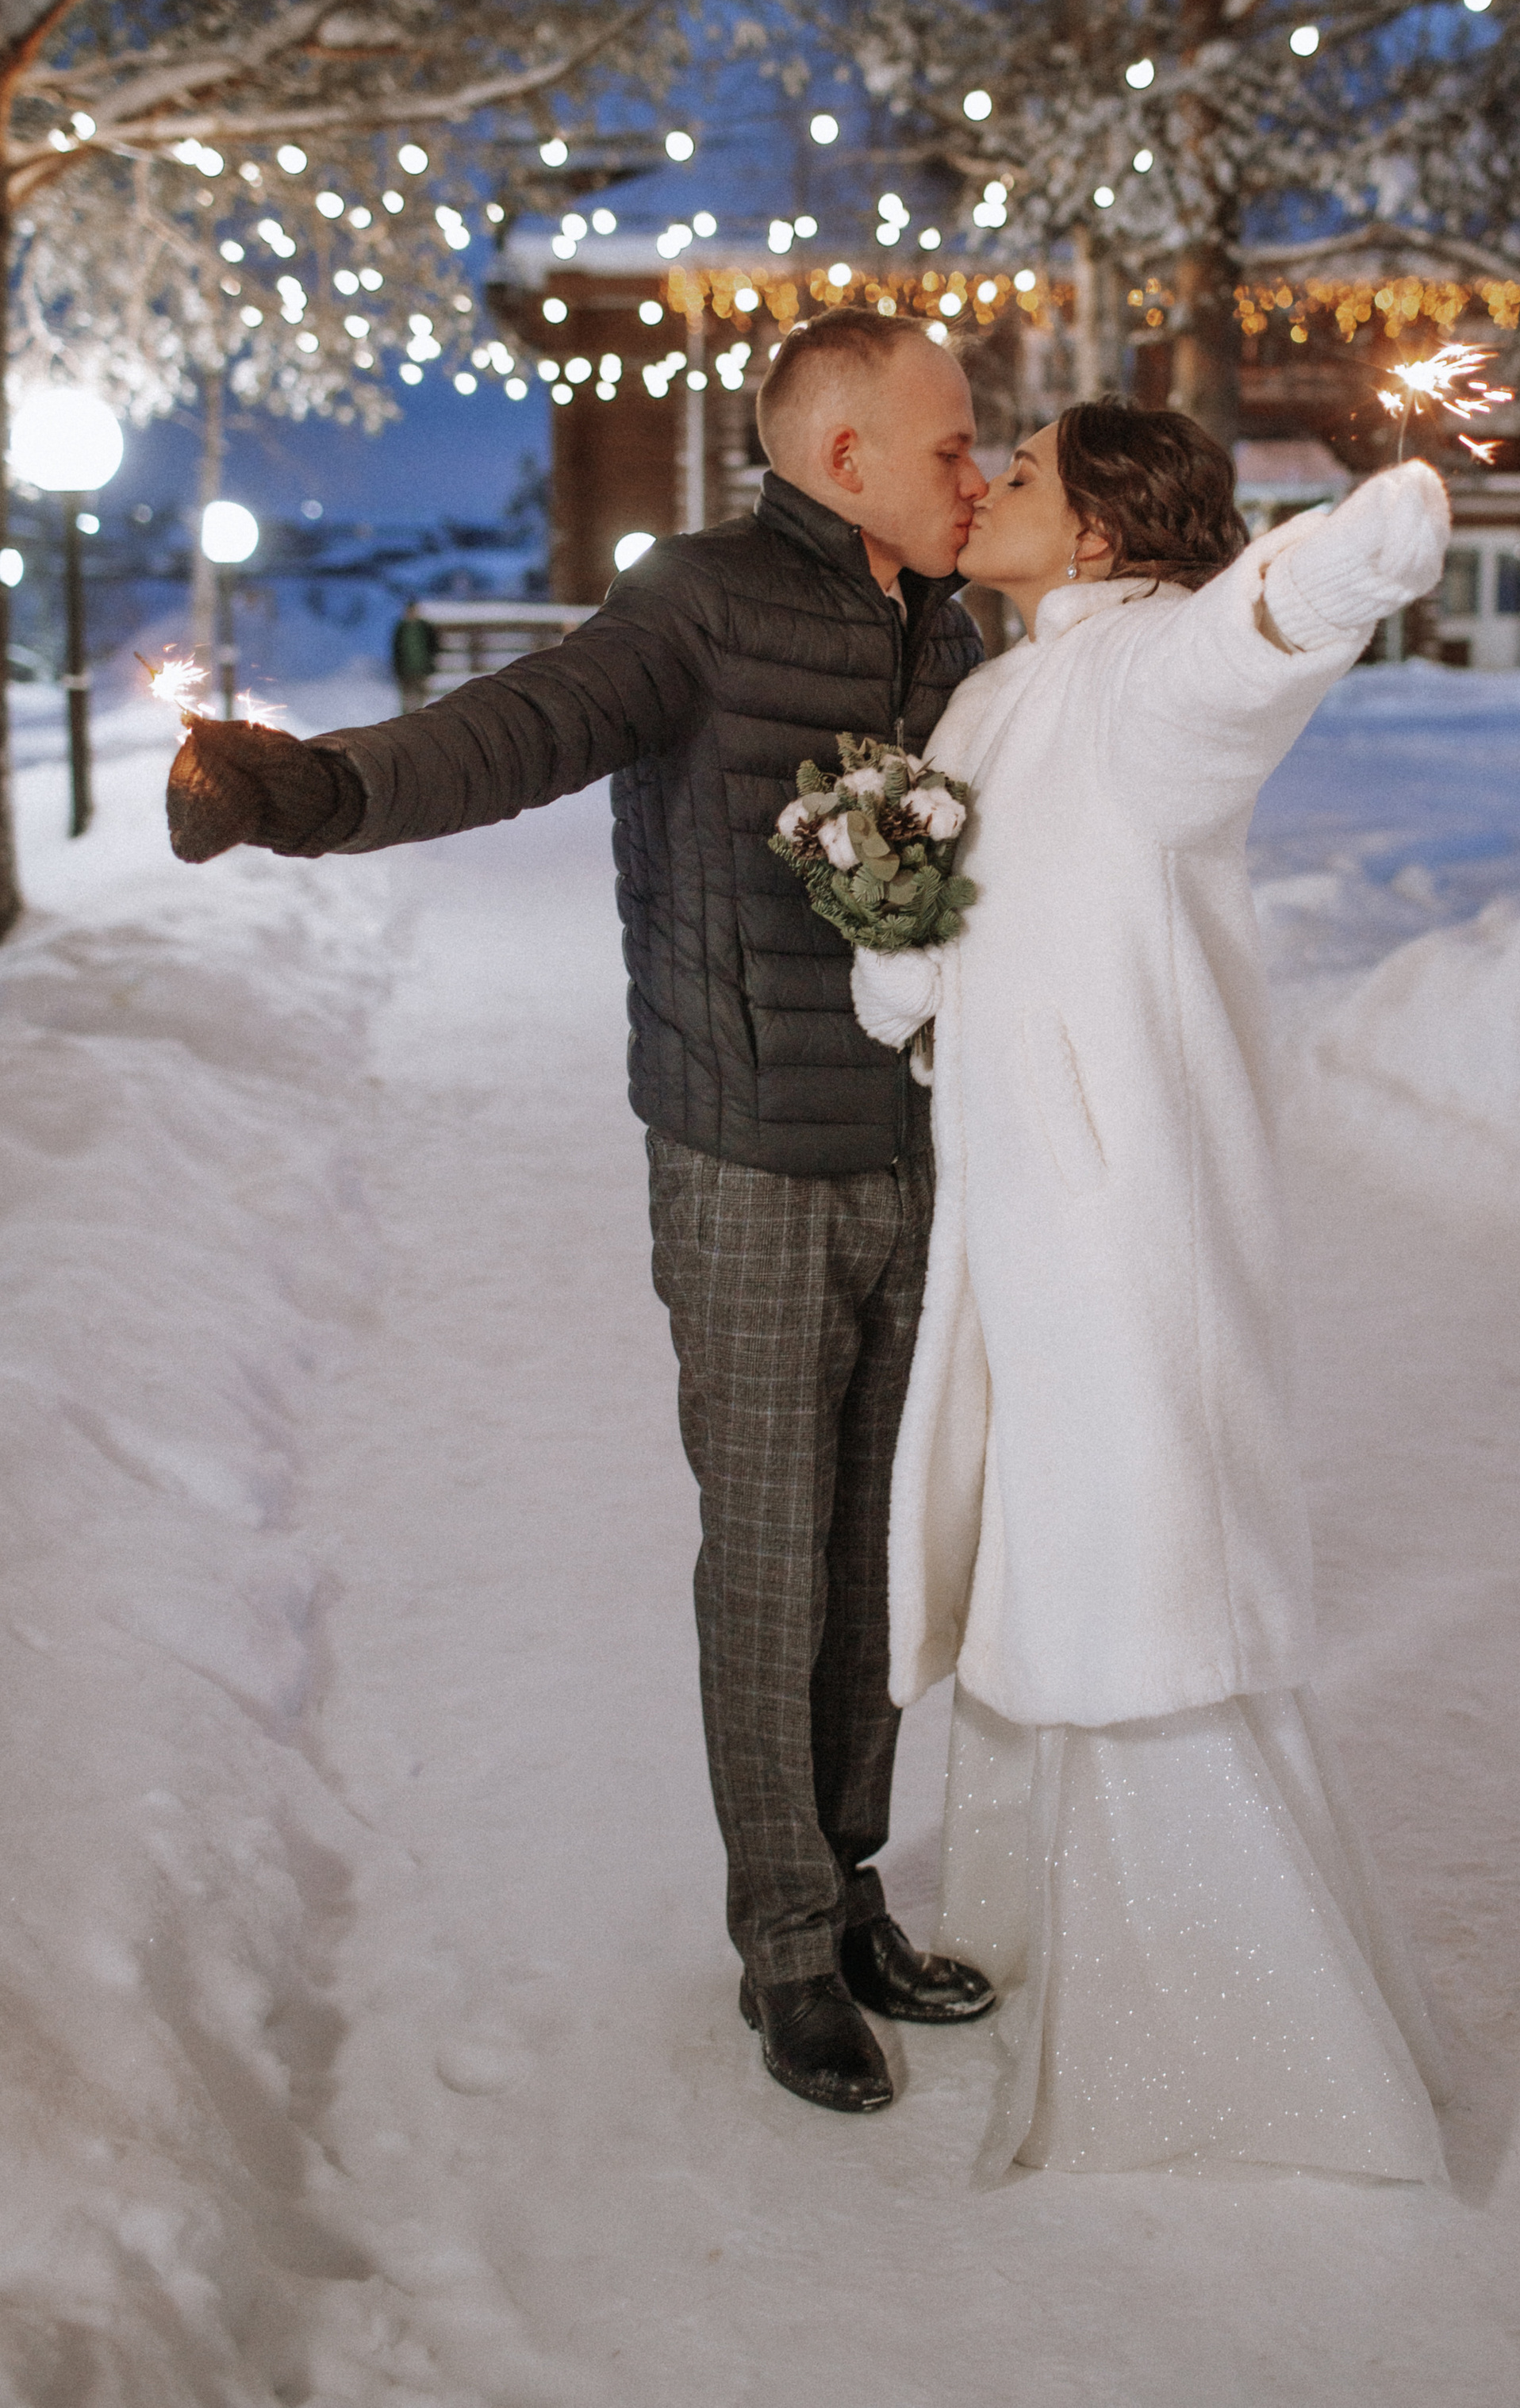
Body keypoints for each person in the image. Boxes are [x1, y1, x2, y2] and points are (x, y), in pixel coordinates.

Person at [163, 312, 1000, 2117]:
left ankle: (851, 1887)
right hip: (742, 1160)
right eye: (948, 444)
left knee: (876, 1552)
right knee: (773, 1553)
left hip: (915, 1149)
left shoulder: (952, 616)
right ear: (841, 452)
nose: (977, 471)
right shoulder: (694, 600)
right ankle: (782, 1943)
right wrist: (306, 788)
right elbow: (515, 732)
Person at [850, 402, 1454, 2183]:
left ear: (1105, 538)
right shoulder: (987, 692)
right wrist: (900, 955)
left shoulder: (1131, 684)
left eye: (1020, 475)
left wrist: (1344, 558)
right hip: (1017, 1213)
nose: (985, 486)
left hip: (1124, 1229)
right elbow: (961, 909)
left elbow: (1235, 661)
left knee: (1143, 1574)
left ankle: (1246, 2047)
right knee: (1052, 1556)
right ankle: (1047, 1944)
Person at [390, 599, 439, 713]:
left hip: (422, 668)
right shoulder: (401, 628)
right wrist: (397, 668)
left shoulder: (425, 627)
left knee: (421, 697)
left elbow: (433, 645)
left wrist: (431, 663)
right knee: (407, 698)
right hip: (405, 670)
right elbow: (396, 649)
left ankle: (419, 718)